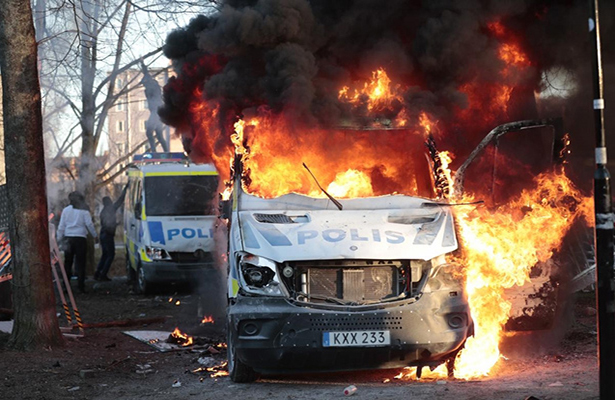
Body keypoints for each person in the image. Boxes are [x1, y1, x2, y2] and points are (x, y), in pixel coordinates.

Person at [57, 191, 98, 293]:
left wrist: (58, 238)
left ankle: (66, 286)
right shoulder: (84, 211)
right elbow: (89, 225)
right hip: (80, 238)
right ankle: (80, 286)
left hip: (68, 238)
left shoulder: (66, 210)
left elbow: (61, 226)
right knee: (81, 263)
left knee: (68, 263)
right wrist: (95, 236)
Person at [94, 184, 128, 281]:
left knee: (105, 255)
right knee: (111, 255)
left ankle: (97, 273)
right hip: (108, 235)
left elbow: (106, 224)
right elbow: (120, 200)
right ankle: (103, 274)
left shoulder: (103, 211)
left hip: (103, 234)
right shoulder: (111, 209)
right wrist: (125, 188)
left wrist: (116, 224)